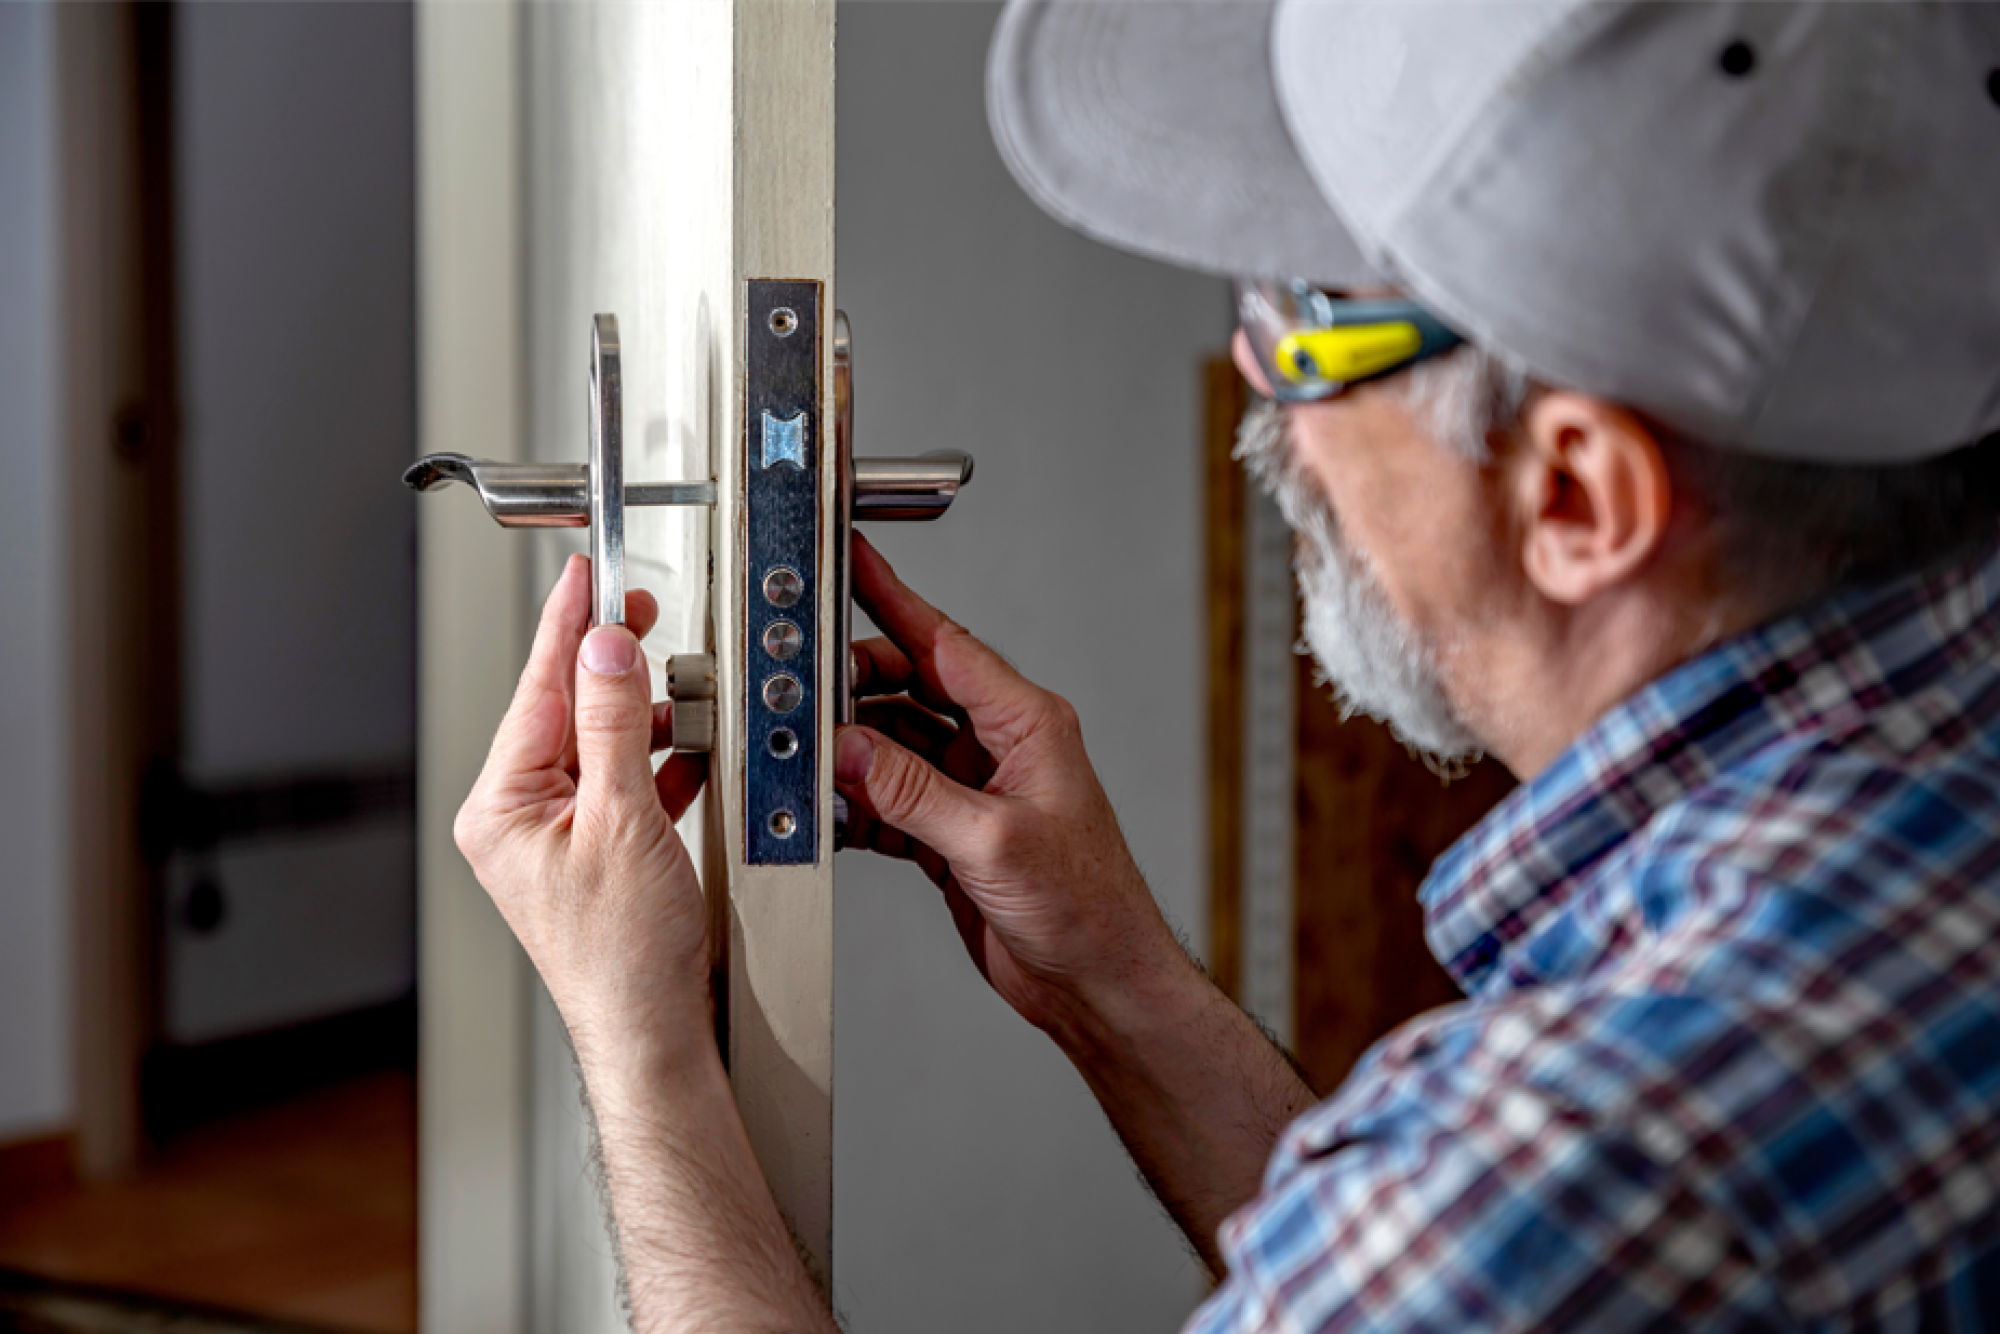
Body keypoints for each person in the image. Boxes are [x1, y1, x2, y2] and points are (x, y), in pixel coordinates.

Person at [452, 2, 2000, 1329]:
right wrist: (1118, 984)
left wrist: (642, 1045)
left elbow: (1481, 1247)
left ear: (1577, 495)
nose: (1259, 387)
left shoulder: (1595, 1154)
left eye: (1311, 316)